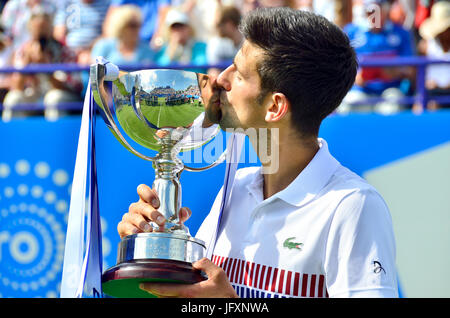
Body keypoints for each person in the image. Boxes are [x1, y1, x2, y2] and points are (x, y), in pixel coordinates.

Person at [117, 7, 398, 298]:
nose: (220, 79)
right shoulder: (237, 186)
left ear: (275, 107)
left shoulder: (353, 206)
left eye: (237, 73)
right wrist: (152, 254)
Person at [2, 6, 82, 122]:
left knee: (53, 99)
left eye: (44, 28)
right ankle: (13, 139)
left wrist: (46, 68)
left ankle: (55, 139)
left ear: (51, 28)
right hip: (35, 94)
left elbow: (74, 88)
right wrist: (26, 65)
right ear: (30, 31)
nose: (41, 34)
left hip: (61, 94)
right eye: (37, 30)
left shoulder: (65, 51)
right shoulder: (24, 50)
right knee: (13, 99)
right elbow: (16, 87)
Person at [339, 0, 415, 114]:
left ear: (386, 10)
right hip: (360, 90)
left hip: (390, 89)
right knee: (350, 104)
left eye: (378, 10)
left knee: (392, 106)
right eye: (370, 11)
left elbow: (411, 69)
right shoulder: (351, 32)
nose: (374, 15)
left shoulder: (401, 33)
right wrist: (354, 78)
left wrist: (397, 72)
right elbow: (340, 68)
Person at [90, 5, 156, 66]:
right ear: (120, 26)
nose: (136, 29)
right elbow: (95, 73)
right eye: (132, 25)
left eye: (138, 24)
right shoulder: (103, 46)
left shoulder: (147, 49)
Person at [414, 1, 450, 111]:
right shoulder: (425, 46)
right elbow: (416, 74)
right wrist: (425, 83)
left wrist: (443, 86)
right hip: (431, 94)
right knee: (419, 108)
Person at [154, 7, 207, 72]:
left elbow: (201, 68)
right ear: (169, 31)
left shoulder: (201, 46)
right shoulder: (163, 50)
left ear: (189, 28)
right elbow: (160, 71)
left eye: (181, 26)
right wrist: (171, 52)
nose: (178, 31)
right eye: (174, 27)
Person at [206, 5, 243, 77]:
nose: (216, 28)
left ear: (229, 24)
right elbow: (213, 72)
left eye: (218, 24)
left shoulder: (251, 42)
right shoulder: (215, 43)